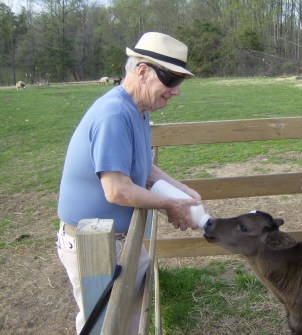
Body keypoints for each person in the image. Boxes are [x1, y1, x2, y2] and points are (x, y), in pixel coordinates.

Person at [57, 32, 201, 334]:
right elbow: (117, 189)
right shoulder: (114, 114)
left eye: (179, 82)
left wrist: (183, 192)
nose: (175, 92)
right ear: (143, 71)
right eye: (172, 80)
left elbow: (143, 168)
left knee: (129, 315)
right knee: (104, 323)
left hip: (119, 238)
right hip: (93, 244)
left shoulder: (139, 110)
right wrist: (168, 204)